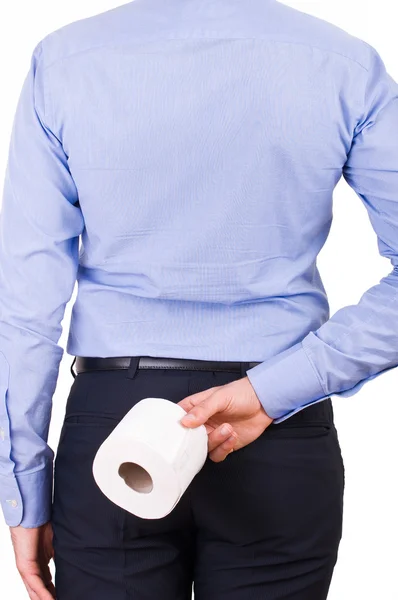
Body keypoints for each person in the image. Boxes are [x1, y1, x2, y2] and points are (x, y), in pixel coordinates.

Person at [1, 0, 397, 597]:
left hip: (114, 419)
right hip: (279, 424)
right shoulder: (342, 63)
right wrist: (276, 389)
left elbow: (25, 306)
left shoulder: (66, 61)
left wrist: (24, 488)